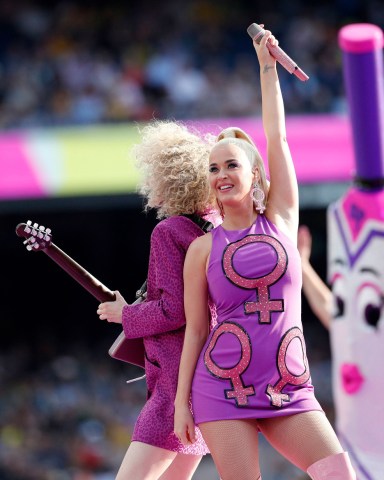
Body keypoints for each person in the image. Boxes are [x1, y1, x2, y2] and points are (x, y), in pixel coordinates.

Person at [173, 28, 356, 480]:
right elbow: (195, 330)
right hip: (221, 389)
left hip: (289, 388)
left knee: (339, 473)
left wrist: (267, 67)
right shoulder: (200, 249)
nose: (220, 174)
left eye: (231, 164)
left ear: (254, 173)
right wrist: (181, 403)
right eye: (213, 168)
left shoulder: (280, 218)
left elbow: (278, 137)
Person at [96, 120, 218, 480]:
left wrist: (126, 314)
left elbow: (174, 310)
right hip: (203, 380)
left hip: (173, 389)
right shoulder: (207, 230)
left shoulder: (169, 232)